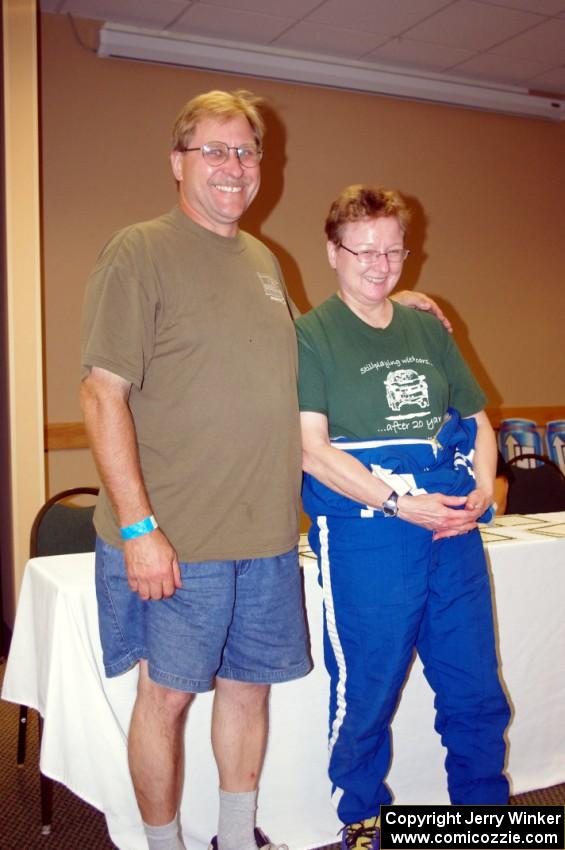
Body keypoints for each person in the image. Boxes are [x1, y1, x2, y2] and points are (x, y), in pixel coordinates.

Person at [80, 91, 452, 850]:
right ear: (177, 161)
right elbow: (100, 391)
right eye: (214, 150)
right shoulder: (139, 249)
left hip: (267, 534)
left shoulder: (262, 260)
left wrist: (385, 295)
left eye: (246, 151)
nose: (234, 166)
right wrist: (139, 526)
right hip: (178, 536)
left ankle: (234, 835)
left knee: (247, 692)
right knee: (167, 700)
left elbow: (306, 354)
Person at [296, 185, 510, 850]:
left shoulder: (427, 326)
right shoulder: (309, 336)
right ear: (332, 252)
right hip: (370, 532)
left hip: (450, 528)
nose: (379, 265)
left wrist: (480, 486)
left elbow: (475, 419)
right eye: (363, 251)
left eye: (392, 251)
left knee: (474, 688)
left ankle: (483, 822)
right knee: (367, 689)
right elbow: (311, 449)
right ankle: (361, 820)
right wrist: (394, 502)